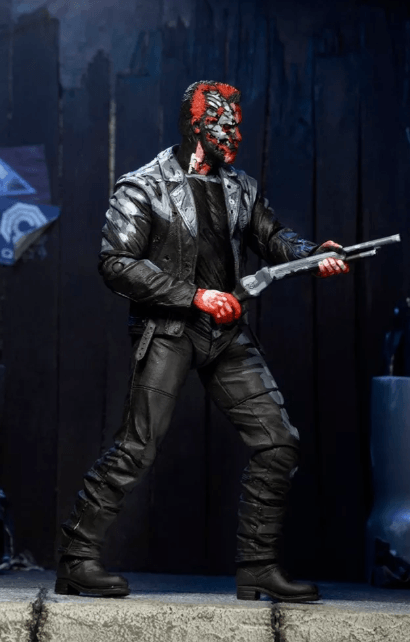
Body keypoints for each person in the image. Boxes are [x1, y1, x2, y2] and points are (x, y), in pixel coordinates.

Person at [55, 80, 349, 600]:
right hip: (169, 330)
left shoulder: (240, 187)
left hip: (226, 332)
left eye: (237, 124)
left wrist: (312, 254)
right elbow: (116, 263)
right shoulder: (144, 186)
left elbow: (271, 236)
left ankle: (257, 567)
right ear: (196, 127)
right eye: (222, 125)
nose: (233, 134)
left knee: (278, 441)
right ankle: (76, 560)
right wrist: (195, 296)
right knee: (137, 446)